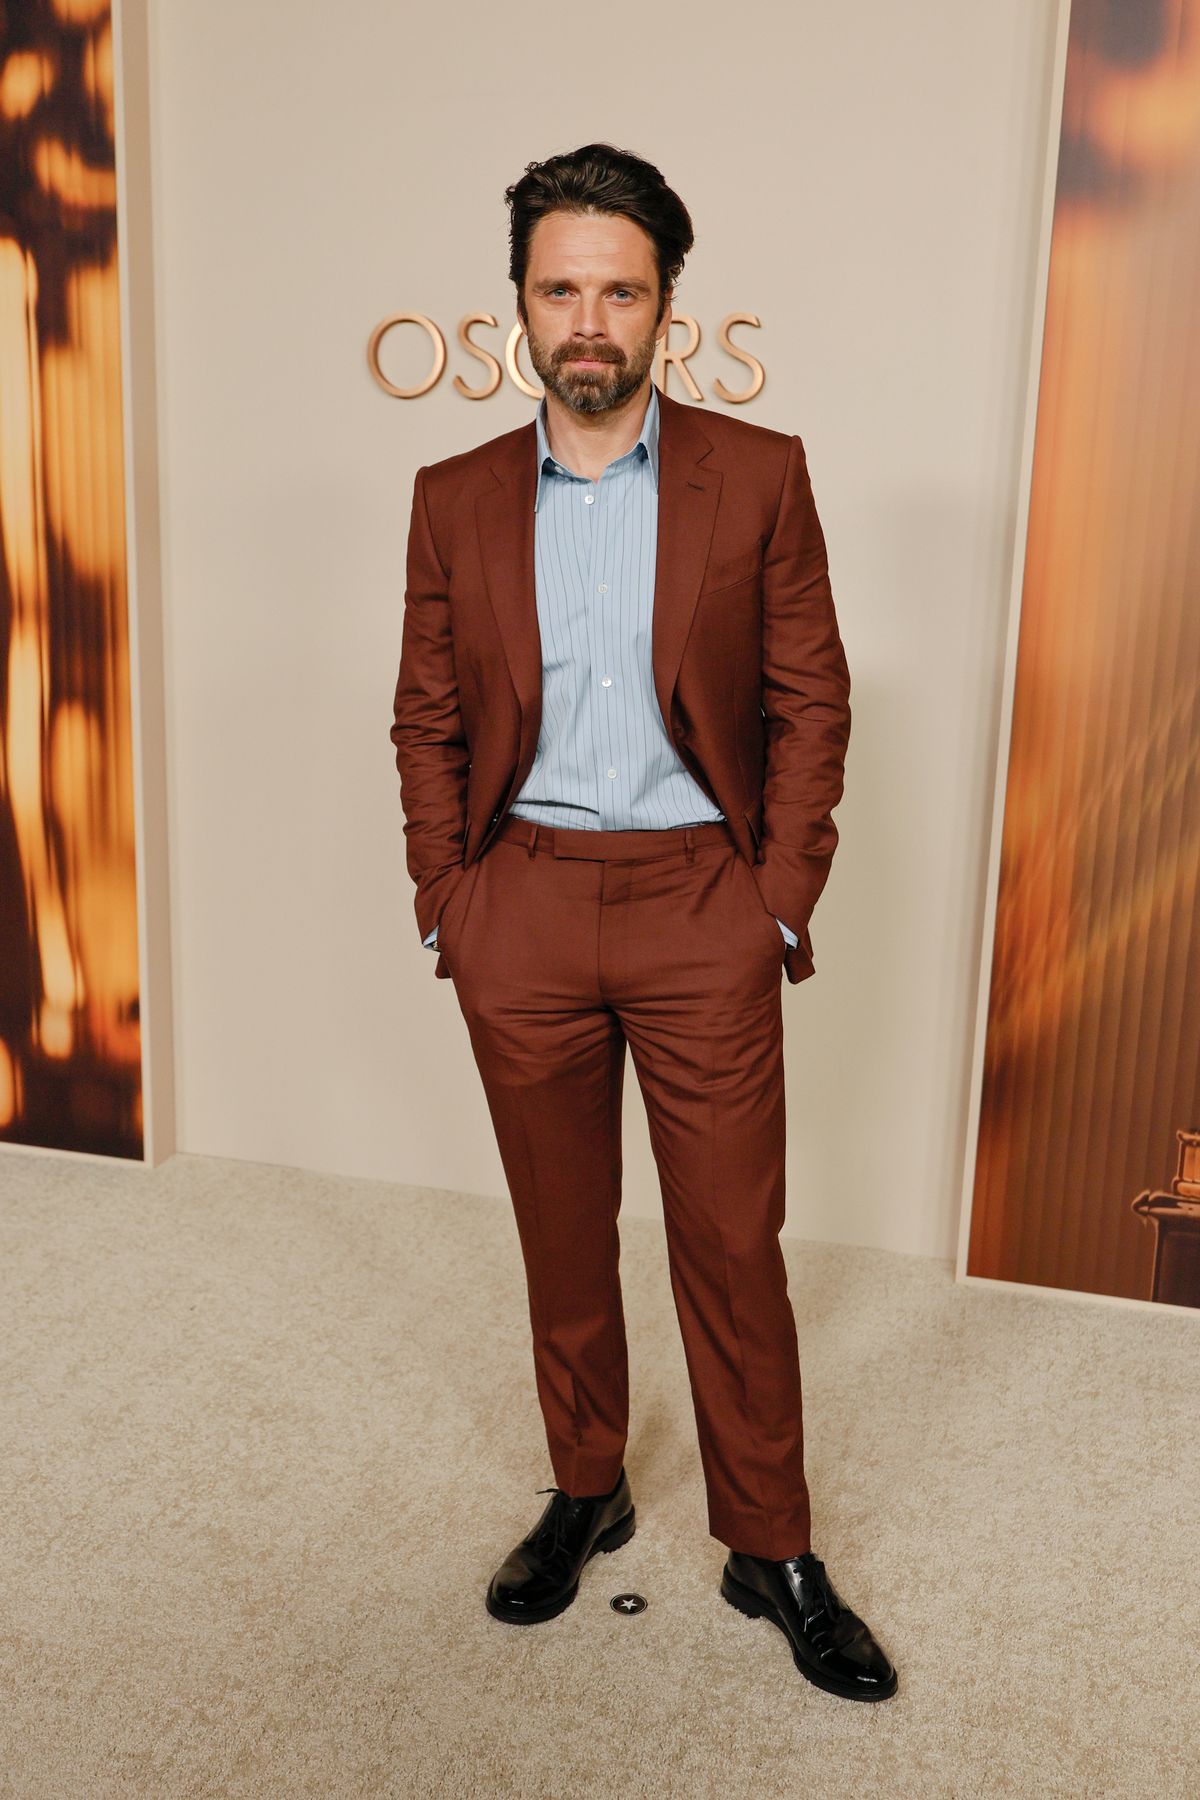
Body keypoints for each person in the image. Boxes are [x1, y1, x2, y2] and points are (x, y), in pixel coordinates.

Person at [390, 142, 896, 1702]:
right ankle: (588, 1484)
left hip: (701, 907)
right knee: (559, 1235)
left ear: (667, 306)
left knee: (732, 1243)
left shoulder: (761, 473)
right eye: (561, 289)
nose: (588, 318)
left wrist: (776, 906)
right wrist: (450, 901)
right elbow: (425, 717)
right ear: (520, 309)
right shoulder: (455, 495)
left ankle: (772, 1540)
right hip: (522, 901)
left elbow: (811, 699)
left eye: (620, 289)